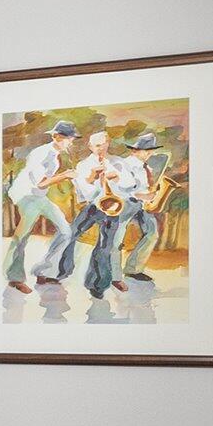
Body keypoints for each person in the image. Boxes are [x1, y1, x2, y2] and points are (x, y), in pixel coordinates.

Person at [64, 128, 152, 298]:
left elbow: (131, 185)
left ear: (108, 143)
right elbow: (86, 193)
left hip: (113, 207)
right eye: (97, 146)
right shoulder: (84, 165)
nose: (100, 149)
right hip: (94, 206)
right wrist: (92, 176)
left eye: (103, 145)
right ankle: (63, 269)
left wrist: (117, 177)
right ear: (90, 146)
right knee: (71, 233)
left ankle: (97, 284)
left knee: (105, 246)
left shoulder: (118, 162)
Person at [4, 117, 81, 291]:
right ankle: (14, 277)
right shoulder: (41, 153)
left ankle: (42, 271)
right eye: (69, 139)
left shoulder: (55, 155)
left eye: (71, 139)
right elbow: (40, 183)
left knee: (66, 231)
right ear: (57, 137)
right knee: (22, 234)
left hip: (39, 196)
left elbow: (44, 184)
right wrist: (65, 176)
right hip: (26, 195)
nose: (71, 143)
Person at [122, 131, 173, 282]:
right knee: (117, 238)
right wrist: (143, 196)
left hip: (143, 205)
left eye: (151, 150)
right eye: (147, 151)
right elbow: (122, 189)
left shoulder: (147, 167)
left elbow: (147, 187)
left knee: (152, 233)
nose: (150, 154)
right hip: (126, 203)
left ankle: (133, 269)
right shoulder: (123, 165)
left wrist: (155, 193)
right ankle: (113, 273)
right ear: (135, 150)